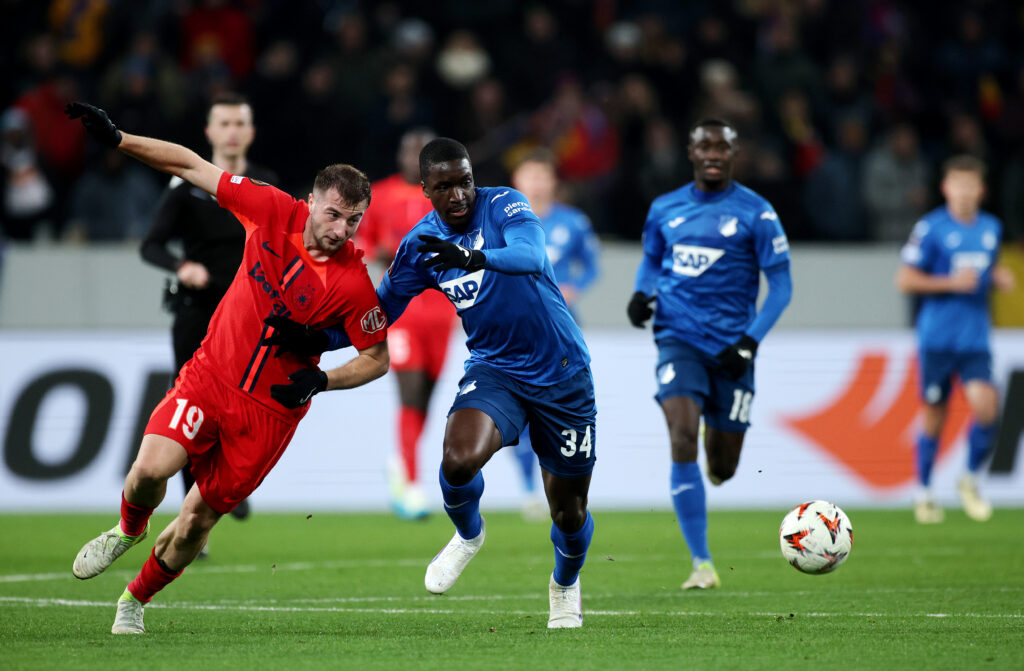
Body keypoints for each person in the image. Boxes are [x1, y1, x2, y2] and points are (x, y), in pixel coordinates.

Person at [64, 102, 389, 635]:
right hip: (211, 377)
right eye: (334, 214)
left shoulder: (353, 284)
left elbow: (379, 357)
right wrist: (119, 138)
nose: (342, 229)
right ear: (310, 202)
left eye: (354, 220)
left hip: (270, 414)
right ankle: (128, 529)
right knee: (149, 470)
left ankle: (134, 600)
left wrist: (324, 378)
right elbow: (191, 166)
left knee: (196, 522)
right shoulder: (268, 209)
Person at [272, 138, 597, 628]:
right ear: (425, 190)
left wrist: (475, 260)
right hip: (497, 370)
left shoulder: (505, 203)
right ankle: (468, 535)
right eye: (444, 186)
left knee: (569, 514)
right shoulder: (421, 247)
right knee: (459, 458)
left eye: (464, 181)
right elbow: (378, 316)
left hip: (563, 373)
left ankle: (565, 584)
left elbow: (531, 255)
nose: (460, 194)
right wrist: (314, 336)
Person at [627, 119, 793, 590]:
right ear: (691, 152)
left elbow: (781, 286)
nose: (714, 153)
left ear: (735, 154)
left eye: (723, 146)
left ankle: (713, 474)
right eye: (705, 146)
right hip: (677, 337)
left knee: (722, 466)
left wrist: (750, 341)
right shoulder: (665, 208)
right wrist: (642, 293)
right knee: (682, 436)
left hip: (733, 348)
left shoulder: (757, 213)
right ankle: (702, 563)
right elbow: (653, 260)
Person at [139, 93, 277, 528]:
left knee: (247, 406)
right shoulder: (187, 188)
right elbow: (151, 245)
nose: (233, 131)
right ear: (210, 133)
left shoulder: (266, 186)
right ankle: (188, 513)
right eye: (225, 123)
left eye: (240, 123)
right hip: (199, 312)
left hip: (249, 319)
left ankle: (227, 485)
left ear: (251, 133)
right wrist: (182, 266)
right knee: (187, 408)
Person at [896, 154, 1015, 524]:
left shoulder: (991, 228)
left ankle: (968, 479)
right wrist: (951, 282)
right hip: (937, 339)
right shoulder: (930, 228)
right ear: (946, 188)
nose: (963, 193)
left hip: (975, 339)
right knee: (935, 413)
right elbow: (906, 279)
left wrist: (996, 276)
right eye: (957, 185)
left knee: (987, 409)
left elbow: (983, 265)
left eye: (970, 186)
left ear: (981, 190)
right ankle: (925, 492)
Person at [355, 128, 457, 520]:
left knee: (426, 397)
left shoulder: (449, 197)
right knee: (410, 392)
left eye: (423, 153)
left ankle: (402, 462)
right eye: (410, 151)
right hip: (402, 311)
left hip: (442, 311)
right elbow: (359, 244)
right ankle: (413, 484)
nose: (415, 158)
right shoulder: (378, 195)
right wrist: (382, 252)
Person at [508, 149, 599, 520]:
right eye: (528, 175)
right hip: (516, 329)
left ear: (553, 182)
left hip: (561, 330)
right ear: (517, 181)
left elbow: (592, 266)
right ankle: (529, 489)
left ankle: (557, 484)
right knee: (521, 410)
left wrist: (574, 286)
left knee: (559, 410)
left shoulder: (572, 222)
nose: (535, 183)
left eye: (541, 176)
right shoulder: (502, 221)